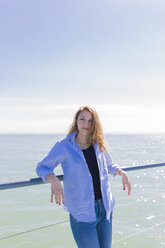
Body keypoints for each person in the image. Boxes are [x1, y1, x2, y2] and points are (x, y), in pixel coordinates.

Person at [36, 105, 131, 248]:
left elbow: (109, 165)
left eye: (90, 121)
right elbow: (42, 167)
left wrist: (121, 172)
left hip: (105, 209)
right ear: (76, 121)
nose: (86, 124)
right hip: (82, 214)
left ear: (95, 124)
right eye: (82, 119)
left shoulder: (98, 143)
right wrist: (53, 179)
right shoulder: (64, 146)